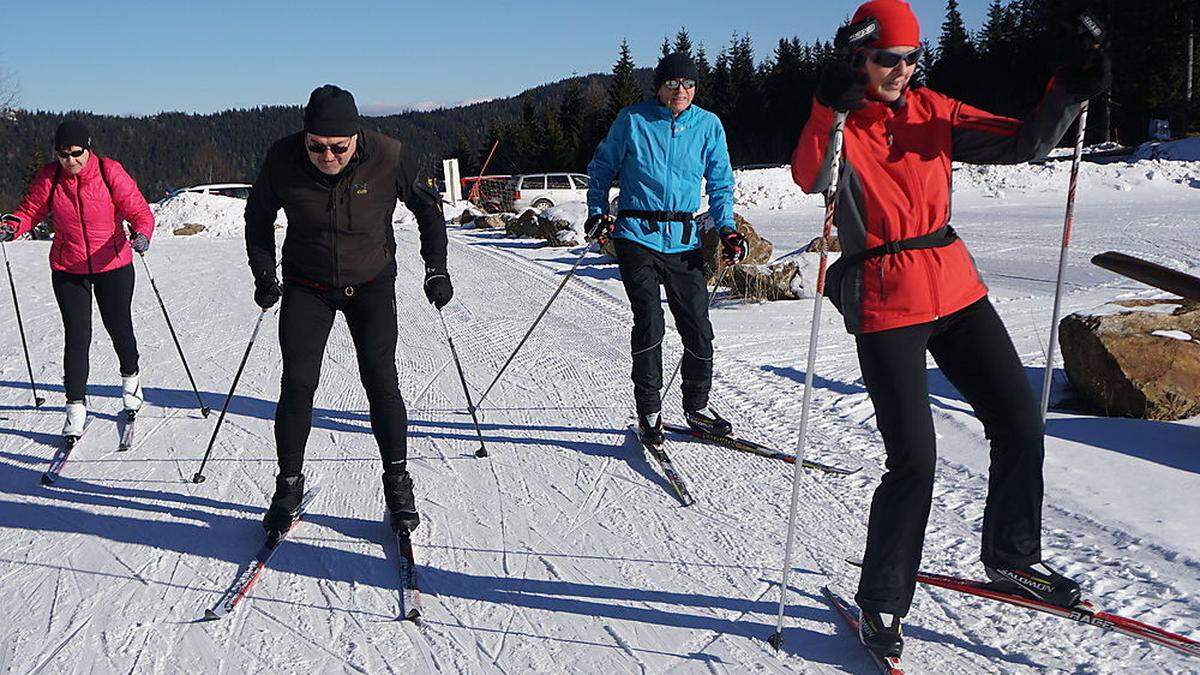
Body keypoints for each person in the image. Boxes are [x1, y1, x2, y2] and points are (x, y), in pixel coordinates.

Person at [791, 0, 1111, 660]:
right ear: (858, 56)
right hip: (885, 301)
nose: (903, 70)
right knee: (915, 459)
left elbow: (1025, 140)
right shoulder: (843, 121)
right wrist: (826, 109)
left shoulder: (935, 109)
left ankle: (1013, 555)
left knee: (1021, 420)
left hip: (955, 287)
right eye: (889, 58)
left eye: (912, 58)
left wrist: (1071, 84)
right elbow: (809, 177)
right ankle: (881, 595)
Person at [244, 84, 450, 539]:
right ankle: (288, 484)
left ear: (356, 136)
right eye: (316, 147)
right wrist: (263, 273)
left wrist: (435, 269)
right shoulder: (282, 158)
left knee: (380, 379)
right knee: (297, 382)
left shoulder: (389, 155)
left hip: (372, 282)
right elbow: (257, 215)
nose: (327, 156)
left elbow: (428, 211)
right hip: (307, 284)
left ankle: (397, 480)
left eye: (338, 147)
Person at [586, 52, 747, 446]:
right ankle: (650, 409)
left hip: (684, 239)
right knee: (650, 321)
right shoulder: (633, 119)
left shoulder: (708, 125)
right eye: (673, 83)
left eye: (689, 84)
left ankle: (696, 406)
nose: (681, 91)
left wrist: (726, 228)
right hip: (635, 234)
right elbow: (602, 166)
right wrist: (596, 211)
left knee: (697, 325)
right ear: (658, 86)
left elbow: (721, 183)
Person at [0, 120, 154, 440]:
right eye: (63, 154)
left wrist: (142, 234)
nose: (70, 160)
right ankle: (75, 408)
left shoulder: (109, 171)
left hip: (112, 265)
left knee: (119, 329)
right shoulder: (50, 177)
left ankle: (131, 381)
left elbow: (139, 210)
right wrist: (14, 225)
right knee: (77, 336)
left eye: (76, 153)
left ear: (88, 147)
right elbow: (31, 210)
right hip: (69, 269)